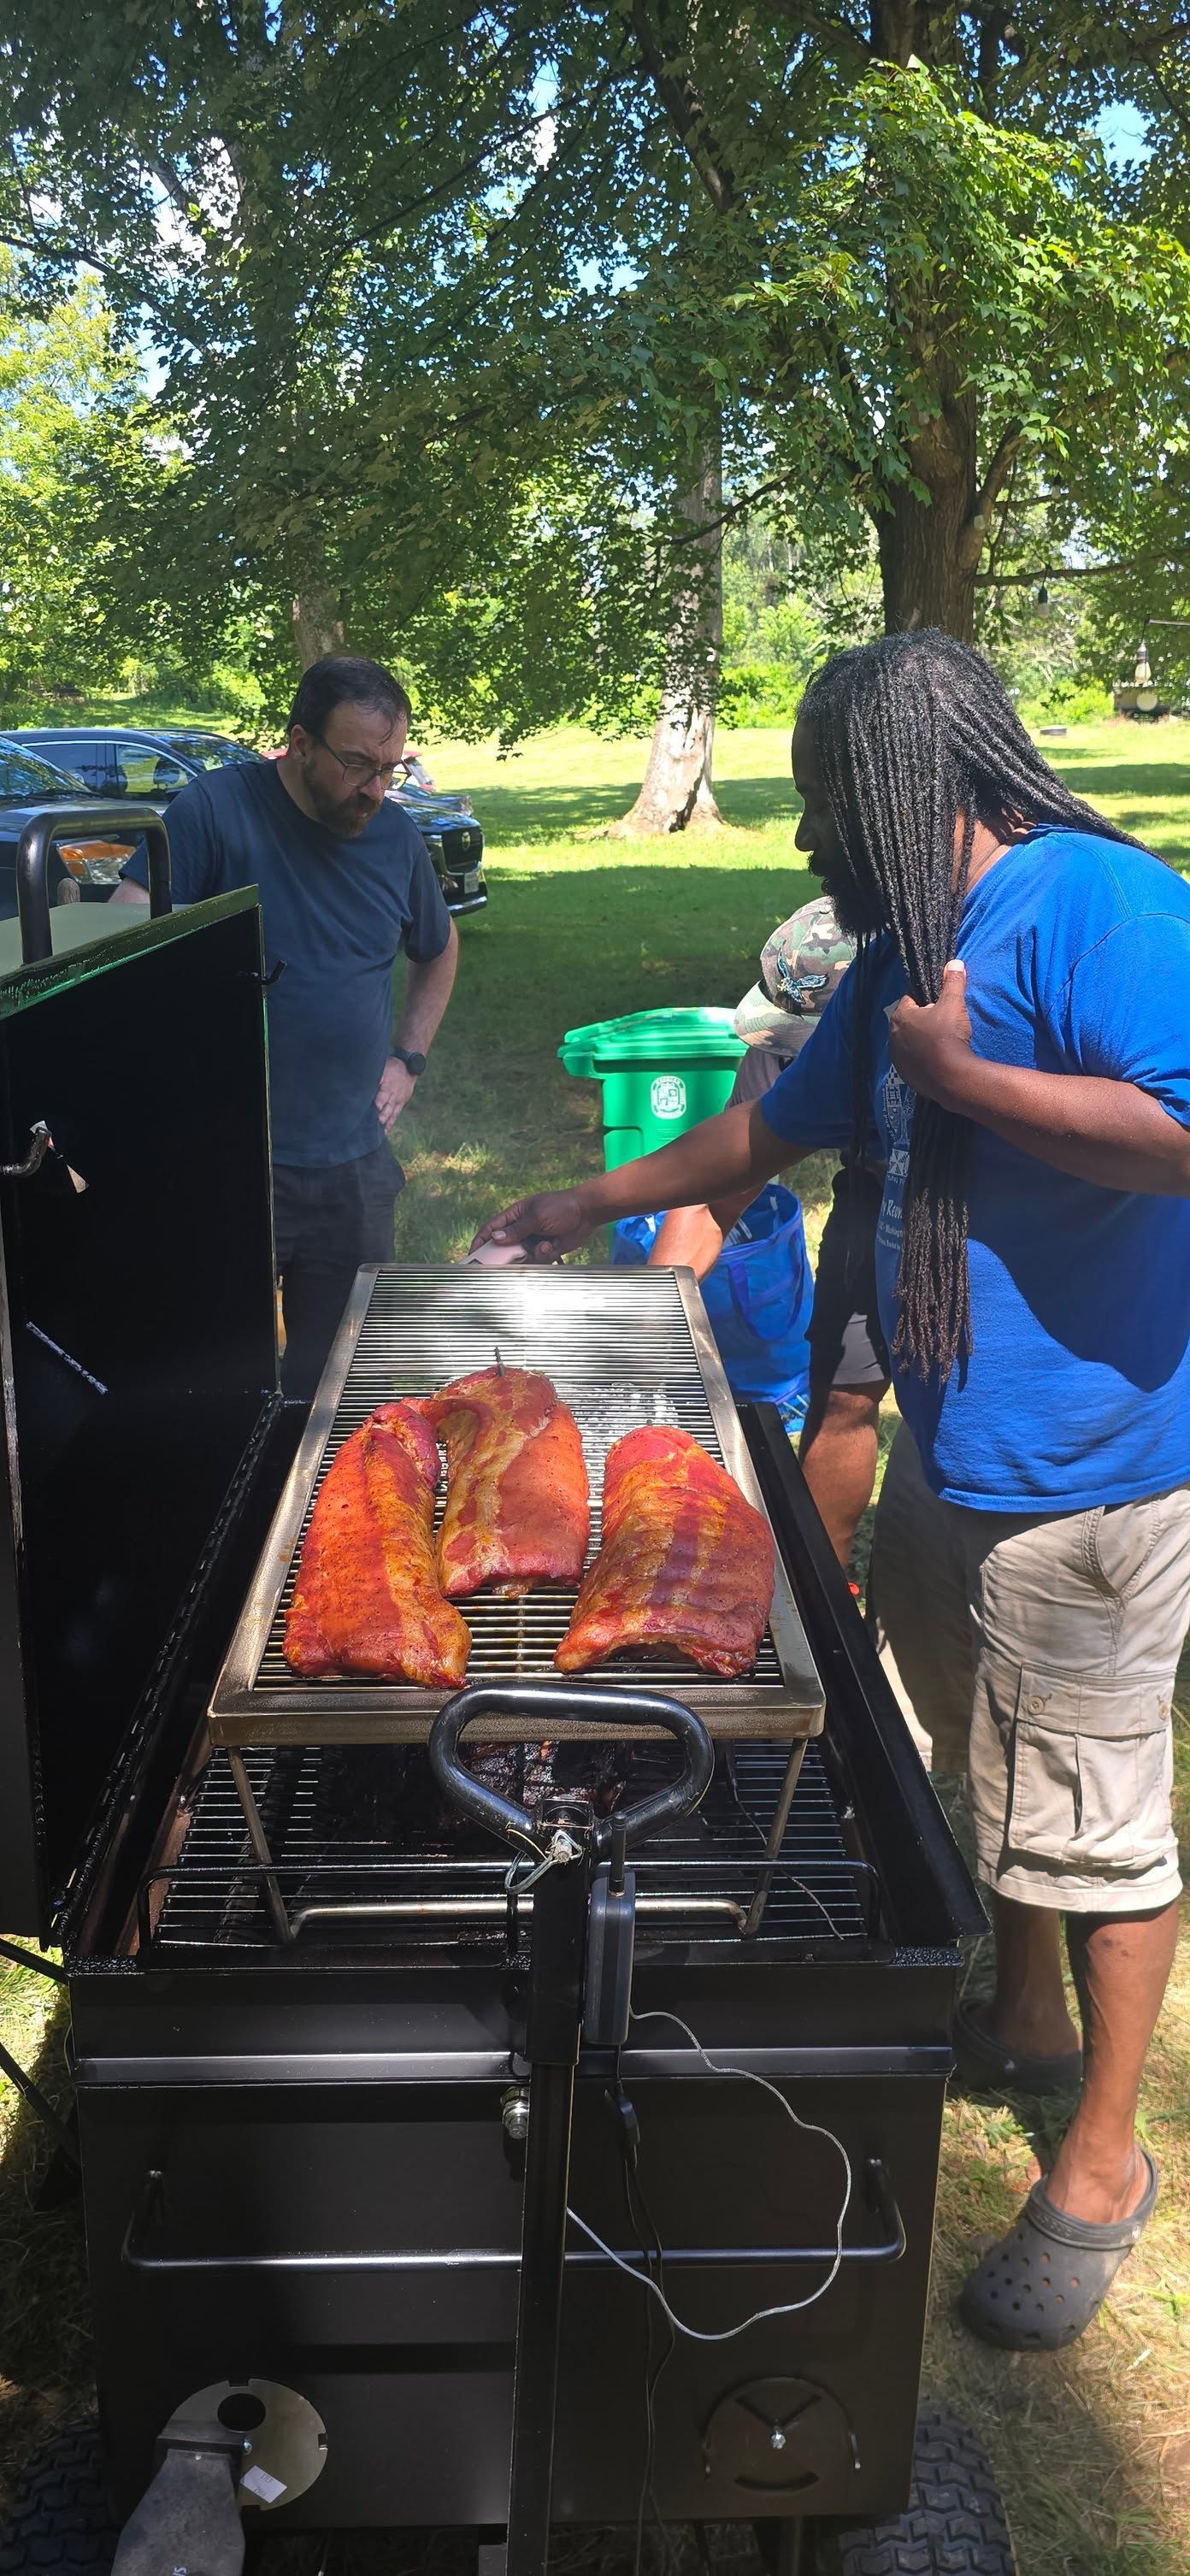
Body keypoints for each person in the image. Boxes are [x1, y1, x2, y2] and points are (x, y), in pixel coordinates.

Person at [473, 629, 1190, 2354]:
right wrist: (585, 1204)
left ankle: (1102, 2159)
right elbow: (765, 1133)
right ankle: (1017, 2018)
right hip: (954, 1443)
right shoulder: (898, 954)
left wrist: (973, 1087)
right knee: (985, 1756)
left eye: (823, 803)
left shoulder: (1102, 905)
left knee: (1096, 1816)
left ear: (910, 785)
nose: (808, 840)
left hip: (1094, 1469)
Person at [113, 656, 457, 1397]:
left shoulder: (395, 838)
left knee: (344, 1383)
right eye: (358, 764)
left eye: (392, 768)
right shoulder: (214, 811)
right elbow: (125, 926)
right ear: (300, 743)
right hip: (230, 1158)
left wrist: (409, 1057)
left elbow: (439, 947)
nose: (376, 788)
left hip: (354, 1167)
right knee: (214, 1378)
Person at [632, 898, 890, 1561]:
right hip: (869, 1192)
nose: (783, 1058)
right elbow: (714, 1198)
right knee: (840, 1395)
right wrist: (643, 1333)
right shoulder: (781, 1048)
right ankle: (815, 1583)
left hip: (974, 1202)